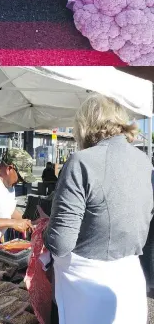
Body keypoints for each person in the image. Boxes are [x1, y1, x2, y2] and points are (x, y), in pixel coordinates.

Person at [44, 94, 153, 324]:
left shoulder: (81, 162)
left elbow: (60, 242)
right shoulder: (144, 162)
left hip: (87, 289)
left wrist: (45, 229)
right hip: (130, 280)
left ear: (85, 125)